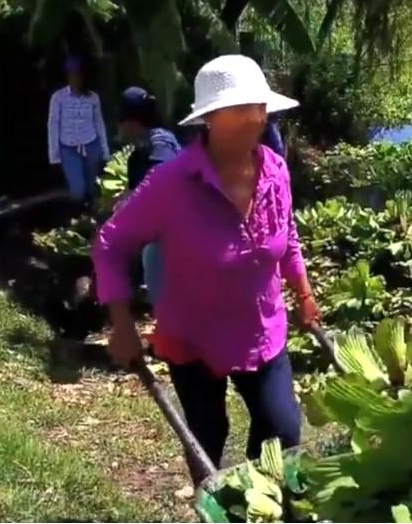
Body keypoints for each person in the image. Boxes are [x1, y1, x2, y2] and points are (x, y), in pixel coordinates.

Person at [92, 54, 320, 484]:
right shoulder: (172, 183)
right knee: (209, 436)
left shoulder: (275, 170)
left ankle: (261, 501)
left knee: (283, 431)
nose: (254, 119)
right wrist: (122, 325)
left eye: (258, 108)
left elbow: (286, 236)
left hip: (261, 330)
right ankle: (213, 505)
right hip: (193, 338)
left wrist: (304, 294)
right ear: (210, 119)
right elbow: (110, 244)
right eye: (240, 110)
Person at [117, 87, 181, 306]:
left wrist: (130, 200)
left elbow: (162, 181)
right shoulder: (136, 158)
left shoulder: (161, 142)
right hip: (158, 234)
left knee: (154, 257)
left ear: (131, 122)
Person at [47, 55, 110, 204]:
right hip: (68, 147)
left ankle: (90, 218)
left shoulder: (93, 98)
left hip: (90, 144)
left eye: (77, 74)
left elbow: (98, 123)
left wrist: (105, 149)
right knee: (77, 190)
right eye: (71, 74)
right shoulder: (58, 98)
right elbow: (53, 124)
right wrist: (54, 154)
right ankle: (78, 212)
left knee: (91, 187)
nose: (75, 78)